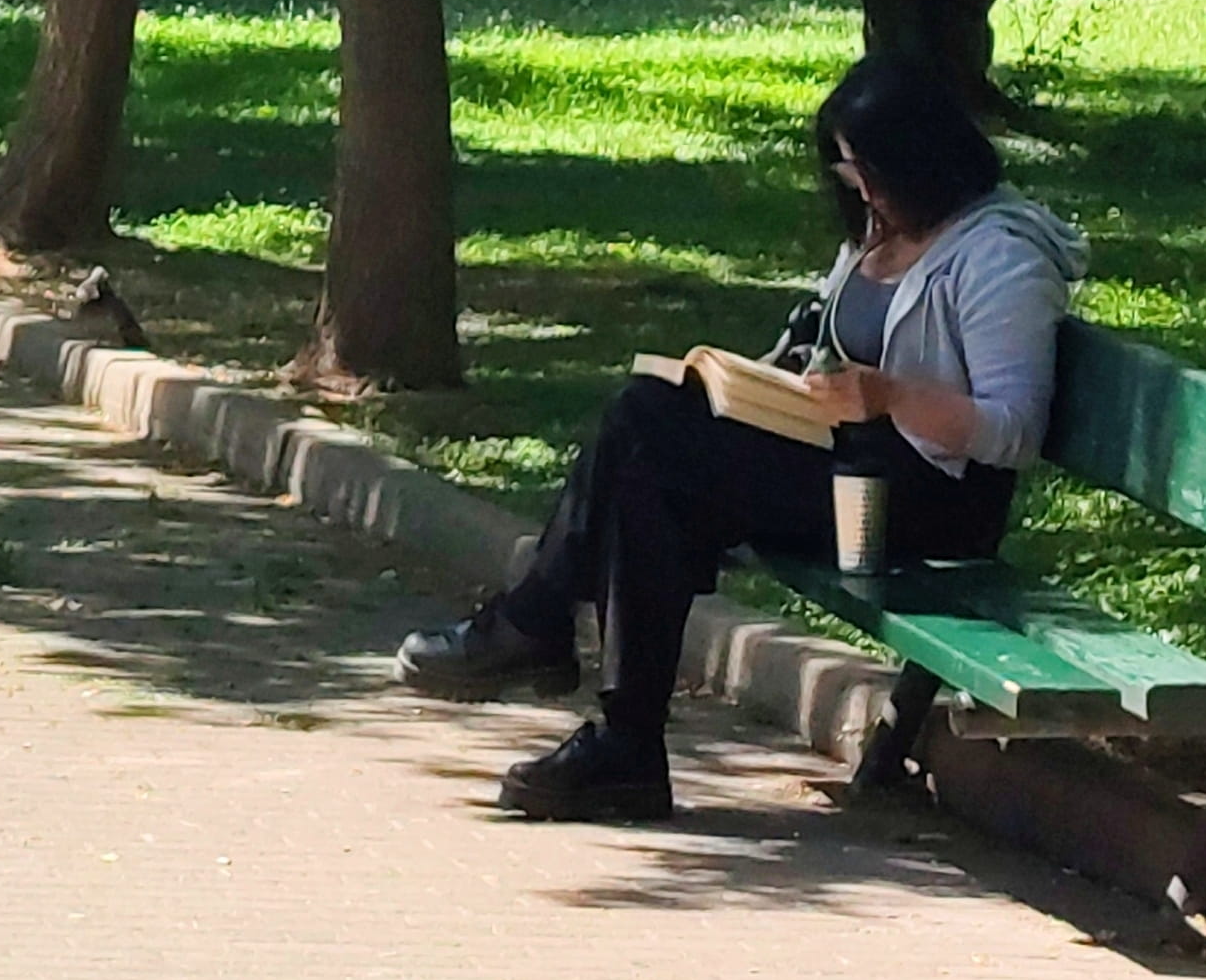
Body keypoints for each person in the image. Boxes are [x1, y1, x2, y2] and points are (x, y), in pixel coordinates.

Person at [394, 60, 1083, 822]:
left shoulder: (1000, 257)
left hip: (925, 498)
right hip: (849, 461)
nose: (857, 190)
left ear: (921, 163)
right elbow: (829, 340)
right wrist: (769, 382)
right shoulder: (881, 230)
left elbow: (1010, 432)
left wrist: (889, 395)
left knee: (648, 440)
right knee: (650, 440)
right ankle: (608, 724)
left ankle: (546, 638)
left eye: (867, 171)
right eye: (846, 171)